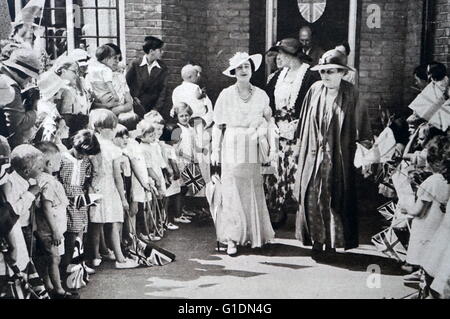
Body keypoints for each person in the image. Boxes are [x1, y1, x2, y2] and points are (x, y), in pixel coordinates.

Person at [293, 49, 373, 253]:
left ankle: (332, 242)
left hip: (338, 157)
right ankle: (316, 240)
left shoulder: (352, 93)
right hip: (313, 155)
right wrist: (298, 151)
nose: (325, 76)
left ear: (342, 73)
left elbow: (363, 127)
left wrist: (366, 154)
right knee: (312, 197)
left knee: (333, 198)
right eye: (322, 72)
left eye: (331, 71)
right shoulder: (314, 90)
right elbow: (303, 126)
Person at [211, 52, 276, 256]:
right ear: (233, 72)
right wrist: (215, 149)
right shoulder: (226, 95)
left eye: (246, 66)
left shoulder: (261, 95)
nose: (243, 70)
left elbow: (268, 121)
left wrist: (269, 142)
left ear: (251, 69)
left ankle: (253, 234)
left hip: (252, 144)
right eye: (239, 67)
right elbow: (218, 125)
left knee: (251, 189)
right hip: (231, 142)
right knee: (231, 190)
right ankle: (232, 238)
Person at [264, 38, 319, 226]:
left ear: (291, 55)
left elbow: (314, 105)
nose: (278, 57)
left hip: (299, 132)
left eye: (281, 53)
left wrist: (301, 123)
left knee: (297, 171)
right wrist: (271, 121)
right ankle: (278, 210)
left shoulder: (310, 77)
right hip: (278, 131)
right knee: (277, 171)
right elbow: (267, 101)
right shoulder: (277, 77)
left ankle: (303, 215)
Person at [88, 109, 138, 269]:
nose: (114, 131)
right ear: (100, 129)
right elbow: (117, 177)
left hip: (95, 187)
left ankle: (96, 256)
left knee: (97, 222)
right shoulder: (112, 148)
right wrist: (123, 199)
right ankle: (120, 259)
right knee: (114, 222)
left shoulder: (92, 143)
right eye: (111, 128)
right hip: (108, 187)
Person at [401, 136, 449, 289]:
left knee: (426, 259)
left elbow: (418, 211)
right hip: (440, 228)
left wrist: (406, 208)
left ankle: (423, 282)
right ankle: (425, 279)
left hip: (427, 229)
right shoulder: (445, 181)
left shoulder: (431, 182)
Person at [33, 141, 78, 299]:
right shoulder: (49, 182)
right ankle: (58, 290)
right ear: (50, 163)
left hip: (46, 229)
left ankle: (49, 285)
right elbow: (46, 207)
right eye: (59, 161)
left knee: (48, 259)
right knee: (54, 259)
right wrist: (55, 231)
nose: (60, 163)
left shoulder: (40, 179)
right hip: (50, 230)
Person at [59, 130, 100, 273]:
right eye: (81, 153)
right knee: (72, 232)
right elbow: (59, 181)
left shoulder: (86, 161)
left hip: (80, 198)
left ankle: (79, 262)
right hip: (66, 198)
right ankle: (68, 264)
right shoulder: (63, 158)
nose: (83, 156)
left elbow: (86, 180)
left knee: (81, 230)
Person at [0, 49, 40, 148]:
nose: (30, 80)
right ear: (22, 73)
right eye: (30, 76)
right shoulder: (10, 86)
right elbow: (17, 126)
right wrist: (34, 111)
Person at [126, 36, 168, 119]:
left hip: (154, 110)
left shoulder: (163, 67)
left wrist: (156, 109)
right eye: (160, 50)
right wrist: (133, 98)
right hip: (136, 107)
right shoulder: (135, 64)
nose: (162, 52)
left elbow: (164, 90)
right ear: (152, 51)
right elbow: (126, 84)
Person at [53, 58, 91, 139]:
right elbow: (57, 110)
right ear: (63, 70)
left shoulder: (78, 84)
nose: (77, 74)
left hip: (80, 122)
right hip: (66, 125)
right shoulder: (59, 88)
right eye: (74, 71)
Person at [172, 64, 214, 128]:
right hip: (198, 122)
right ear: (190, 76)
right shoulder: (196, 88)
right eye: (196, 74)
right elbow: (208, 107)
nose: (198, 76)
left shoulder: (176, 90)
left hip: (182, 122)